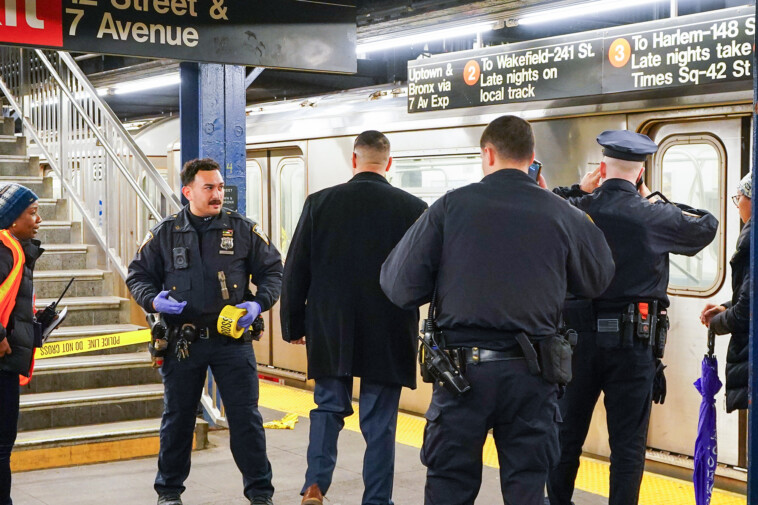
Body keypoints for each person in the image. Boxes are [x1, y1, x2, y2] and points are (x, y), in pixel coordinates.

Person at [379, 115, 615, 505]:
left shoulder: (451, 206)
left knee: (449, 486)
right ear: (532, 157)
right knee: (526, 488)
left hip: (461, 375)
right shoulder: (564, 213)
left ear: (487, 153)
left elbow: (398, 286)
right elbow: (597, 280)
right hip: (535, 377)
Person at [546, 131, 719, 505]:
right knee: (627, 446)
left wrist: (580, 187)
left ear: (602, 167)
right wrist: (651, 197)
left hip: (574, 342)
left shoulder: (574, 208)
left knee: (564, 438)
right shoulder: (653, 215)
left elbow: (542, 201)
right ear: (640, 173)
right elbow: (706, 224)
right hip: (632, 343)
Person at [280, 130, 428, 505]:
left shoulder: (320, 202)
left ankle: (315, 485)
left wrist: (294, 325)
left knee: (328, 407)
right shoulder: (414, 208)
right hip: (390, 327)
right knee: (380, 423)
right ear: (389, 163)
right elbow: (425, 274)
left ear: (354, 160)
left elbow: (296, 269)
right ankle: (377, 501)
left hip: (332, 325)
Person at [126, 158, 283, 505]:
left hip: (232, 343)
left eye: (220, 187)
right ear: (188, 191)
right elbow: (137, 275)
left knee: (246, 420)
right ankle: (168, 493)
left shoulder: (242, 230)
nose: (217, 194)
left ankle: (260, 494)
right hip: (184, 343)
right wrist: (154, 301)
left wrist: (258, 304)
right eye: (208, 187)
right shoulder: (165, 233)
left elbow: (274, 272)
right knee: (178, 419)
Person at [0, 183, 42, 505]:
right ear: (13, 219)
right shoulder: (5, 249)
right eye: (32, 212)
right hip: (1, 362)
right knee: (1, 446)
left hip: (7, 359)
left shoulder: (15, 249)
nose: (38, 219)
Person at [700, 171, 751, 412]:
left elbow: (747, 310)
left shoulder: (752, 238)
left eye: (739, 197)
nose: (737, 204)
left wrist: (717, 323)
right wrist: (725, 308)